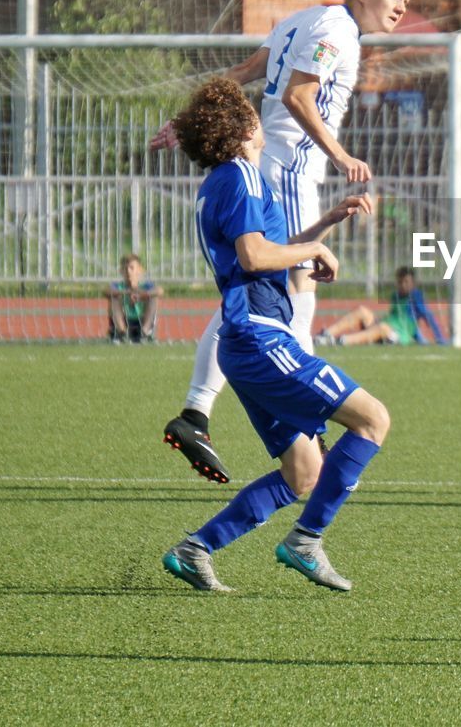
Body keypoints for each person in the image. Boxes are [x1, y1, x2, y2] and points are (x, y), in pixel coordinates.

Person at [150, 0, 424, 485]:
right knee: (298, 295)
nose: (400, 6)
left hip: (271, 170)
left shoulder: (304, 19)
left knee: (251, 297)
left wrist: (187, 121)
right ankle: (306, 418)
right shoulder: (338, 31)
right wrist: (341, 156)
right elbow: (301, 96)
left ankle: (197, 413)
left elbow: (244, 74)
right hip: (289, 173)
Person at [160, 77, 390, 593]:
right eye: (252, 112)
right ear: (242, 127)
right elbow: (256, 257)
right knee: (373, 420)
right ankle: (307, 539)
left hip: (247, 343)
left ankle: (195, 549)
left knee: (305, 469)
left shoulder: (226, 180)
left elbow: (268, 253)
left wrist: (325, 224)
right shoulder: (240, 175)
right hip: (262, 341)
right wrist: (309, 253)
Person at [314, 266, 446, 346]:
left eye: (406, 282)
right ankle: (325, 335)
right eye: (400, 282)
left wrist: (438, 339)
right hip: (384, 329)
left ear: (414, 283)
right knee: (362, 311)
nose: (403, 285)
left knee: (382, 327)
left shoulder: (415, 297)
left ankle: (340, 341)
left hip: (398, 336)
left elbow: (427, 316)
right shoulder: (396, 296)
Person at [104, 253, 163, 343]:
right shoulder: (118, 286)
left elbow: (159, 290)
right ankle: (122, 333)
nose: (128, 271)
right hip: (125, 321)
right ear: (121, 271)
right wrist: (127, 293)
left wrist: (142, 295)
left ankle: (145, 333)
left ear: (140, 270)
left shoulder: (146, 286)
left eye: (132, 268)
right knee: (114, 298)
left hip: (141, 321)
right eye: (125, 268)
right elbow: (106, 291)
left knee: (153, 298)